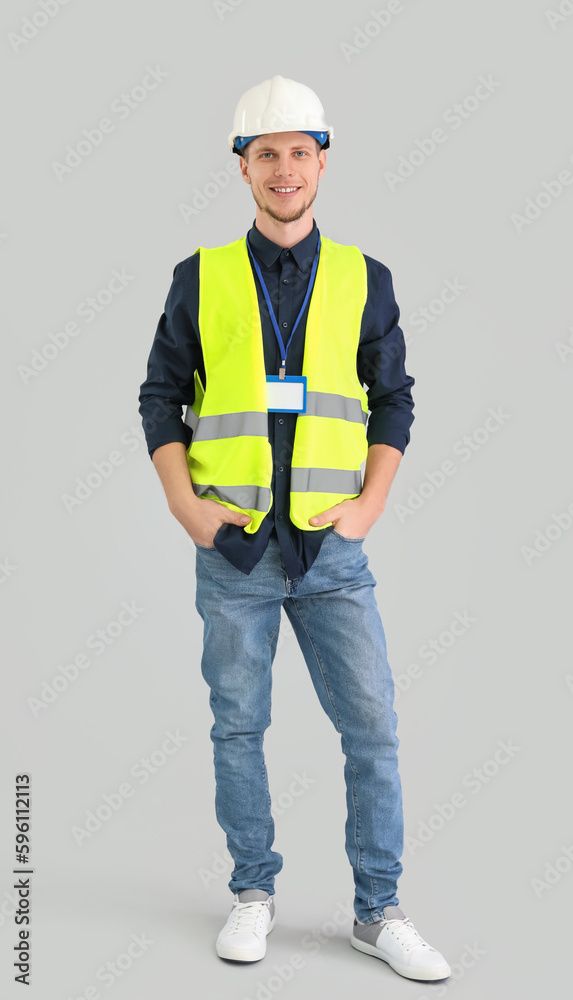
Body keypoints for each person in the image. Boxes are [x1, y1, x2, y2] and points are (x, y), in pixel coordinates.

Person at [138, 74, 450, 982]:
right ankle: (251, 893)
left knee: (373, 730)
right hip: (231, 547)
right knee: (238, 728)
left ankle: (377, 910)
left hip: (330, 548)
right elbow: (162, 397)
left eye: (298, 153)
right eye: (265, 153)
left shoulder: (364, 277)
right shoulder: (199, 277)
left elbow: (392, 400)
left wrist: (370, 504)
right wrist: (182, 505)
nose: (284, 169)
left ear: (322, 162)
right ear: (242, 168)